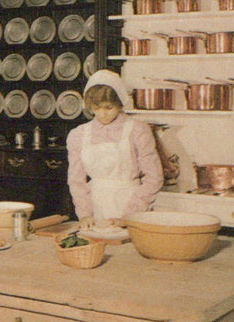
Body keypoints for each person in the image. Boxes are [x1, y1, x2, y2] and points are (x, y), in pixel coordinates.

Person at [66, 69, 163, 231]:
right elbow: (76, 181)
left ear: (120, 103)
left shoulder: (138, 130)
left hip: (131, 205)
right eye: (96, 108)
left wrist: (129, 216)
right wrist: (85, 214)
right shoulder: (78, 134)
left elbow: (154, 177)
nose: (102, 114)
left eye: (109, 108)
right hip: (95, 209)